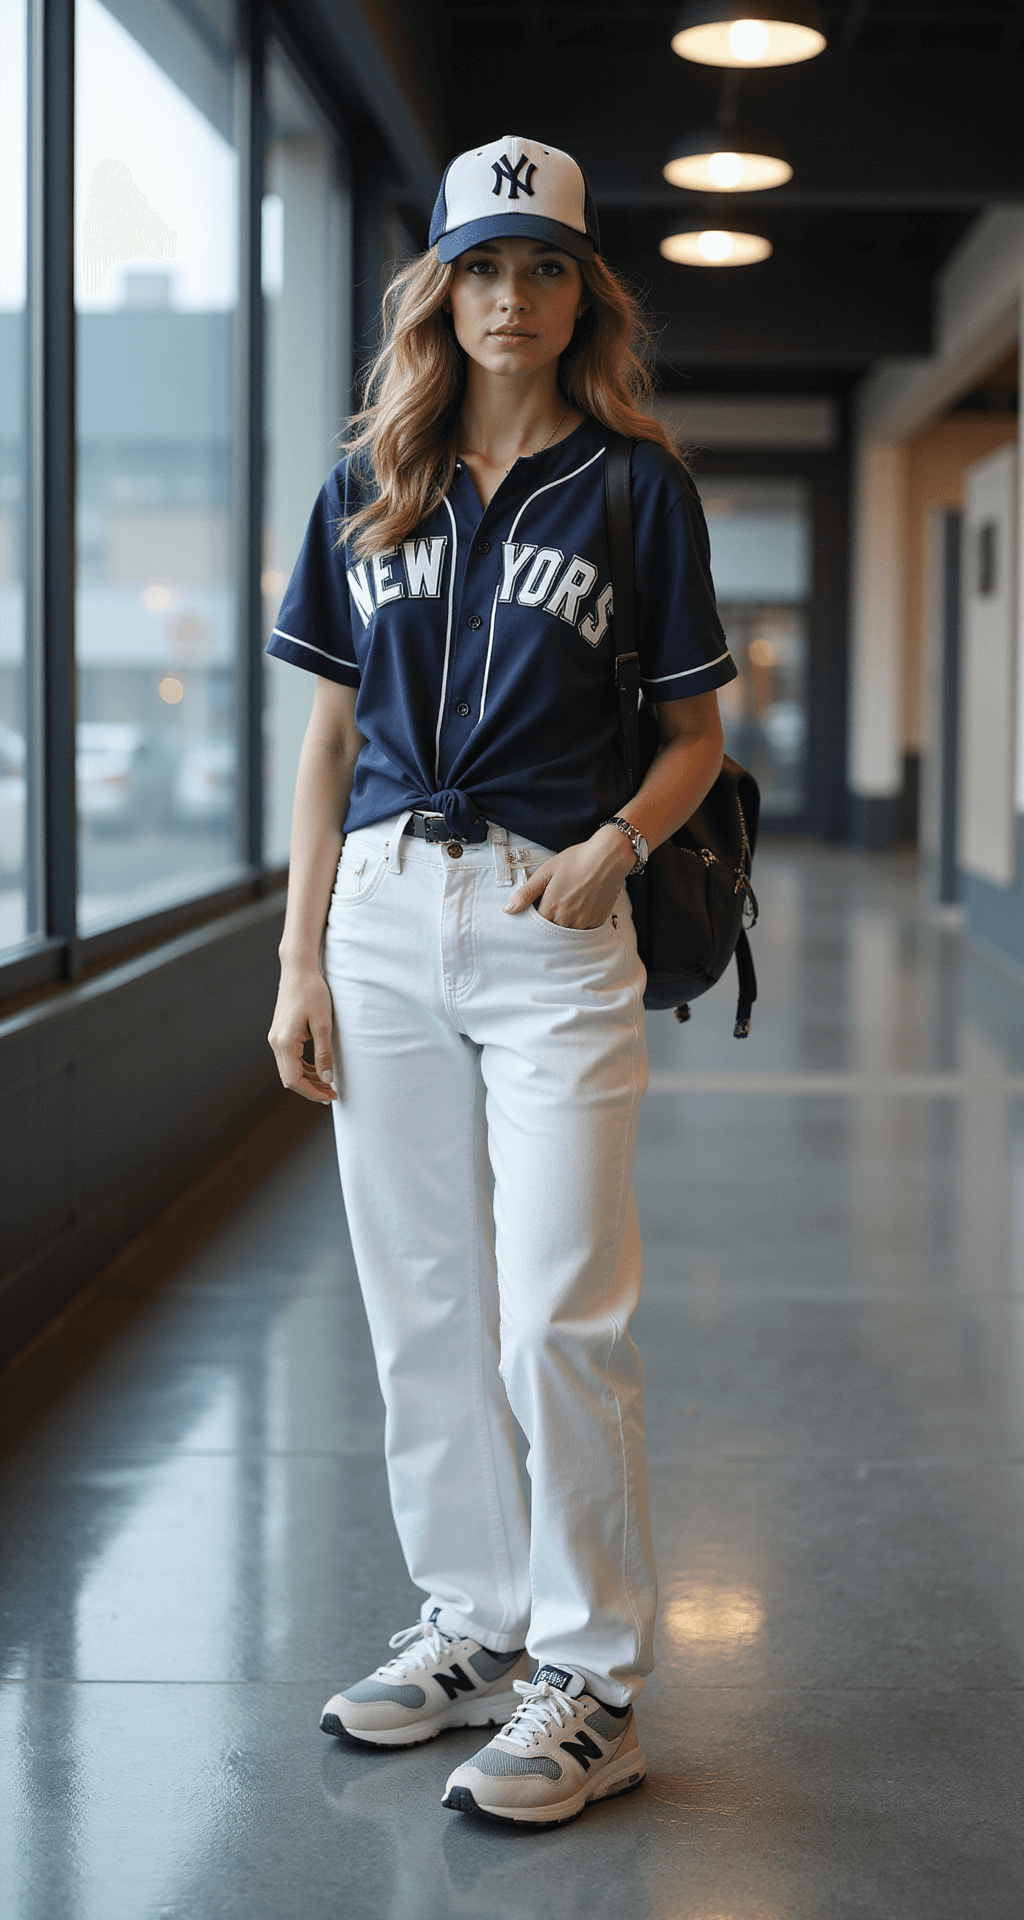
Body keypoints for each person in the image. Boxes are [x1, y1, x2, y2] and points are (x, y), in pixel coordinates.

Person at [267, 133, 736, 1828]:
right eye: (483, 267)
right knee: (421, 1301)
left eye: (543, 268)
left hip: (554, 914)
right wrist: (297, 956)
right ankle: (474, 1624)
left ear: (578, 291)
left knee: (557, 1309)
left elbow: (696, 740)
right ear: (441, 291)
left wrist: (613, 846)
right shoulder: (366, 481)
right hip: (383, 912)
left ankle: (594, 1678)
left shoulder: (634, 487)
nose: (511, 297)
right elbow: (327, 736)